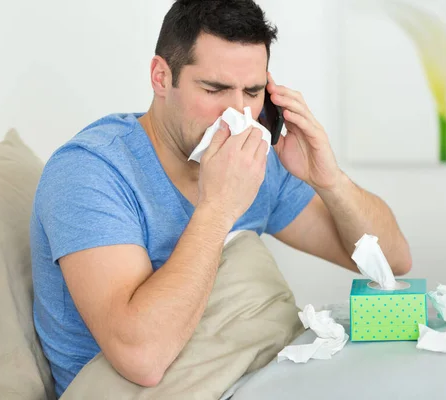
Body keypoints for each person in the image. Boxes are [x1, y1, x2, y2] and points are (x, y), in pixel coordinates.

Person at [30, 0, 412, 396]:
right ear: (161, 77)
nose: (239, 113)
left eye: (253, 91)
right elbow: (141, 358)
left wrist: (328, 178)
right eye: (214, 89)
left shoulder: (254, 160)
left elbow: (393, 260)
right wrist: (219, 207)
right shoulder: (89, 171)